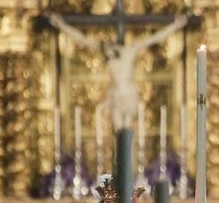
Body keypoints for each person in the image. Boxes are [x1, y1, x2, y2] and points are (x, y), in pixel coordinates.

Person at [47, 11, 189, 129]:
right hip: (115, 95)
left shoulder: (130, 51)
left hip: (128, 94)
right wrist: (61, 25)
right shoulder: (106, 52)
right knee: (118, 129)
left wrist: (176, 25)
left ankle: (129, 160)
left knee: (128, 129)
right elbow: (82, 39)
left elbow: (155, 38)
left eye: (108, 51)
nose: (106, 54)